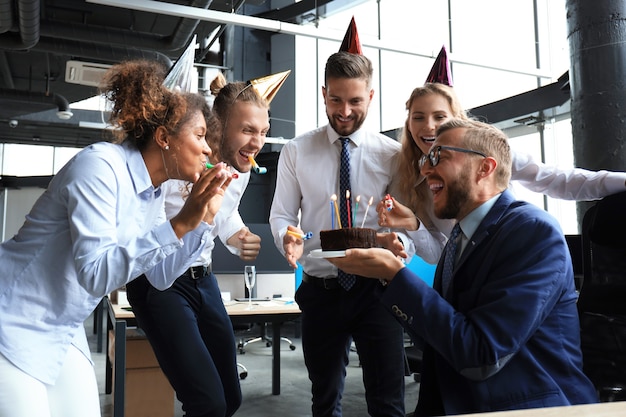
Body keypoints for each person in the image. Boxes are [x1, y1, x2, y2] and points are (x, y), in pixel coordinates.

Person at [0, 59, 233, 417]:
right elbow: (95, 273)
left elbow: (159, 276)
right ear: (164, 137)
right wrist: (181, 223)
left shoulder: (154, 194)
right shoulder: (100, 167)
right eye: (200, 136)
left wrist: (202, 222)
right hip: (14, 316)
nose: (208, 150)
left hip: (63, 325)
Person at [328, 118, 599, 416]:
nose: (425, 169)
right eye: (425, 158)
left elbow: (481, 354)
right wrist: (387, 278)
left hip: (519, 407)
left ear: (485, 168)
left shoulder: (533, 232)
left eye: (438, 156)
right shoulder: (459, 237)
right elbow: (435, 337)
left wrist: (394, 276)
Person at [126, 70, 286, 417]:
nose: (257, 142)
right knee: (207, 404)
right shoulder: (181, 165)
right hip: (161, 283)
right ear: (218, 125)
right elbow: (158, 233)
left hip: (204, 281)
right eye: (247, 130)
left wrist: (237, 236)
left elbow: (225, 214)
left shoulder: (240, 169)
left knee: (230, 399)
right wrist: (201, 216)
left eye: (263, 132)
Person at [269, 51, 411, 417]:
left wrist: (402, 245)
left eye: (355, 101)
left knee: (388, 401)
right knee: (325, 398)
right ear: (323, 93)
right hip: (322, 291)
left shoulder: (393, 155)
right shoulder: (296, 151)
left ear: (371, 97)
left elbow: (408, 223)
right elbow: (283, 213)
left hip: (379, 292)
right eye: (335, 100)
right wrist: (287, 235)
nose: (344, 111)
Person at [380, 81, 626, 262]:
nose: (429, 126)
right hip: (468, 275)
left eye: (440, 116)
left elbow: (556, 180)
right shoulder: (411, 179)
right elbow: (440, 253)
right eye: (419, 117)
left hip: (513, 256)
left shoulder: (489, 152)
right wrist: (413, 225)